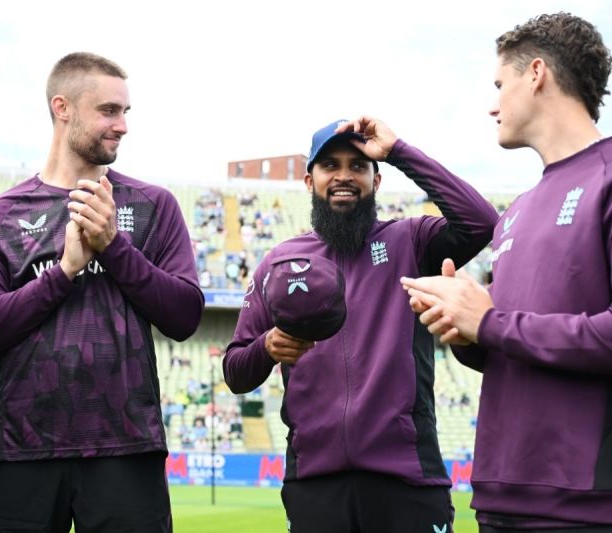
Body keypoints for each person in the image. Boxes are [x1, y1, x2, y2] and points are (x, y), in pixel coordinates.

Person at [0, 52, 203, 532]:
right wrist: (64, 271)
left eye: (125, 112)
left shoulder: (153, 205)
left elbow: (184, 317)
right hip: (19, 448)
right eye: (109, 111)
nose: (122, 126)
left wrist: (114, 247)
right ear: (63, 108)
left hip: (127, 448)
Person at [223, 116, 498, 533]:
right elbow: (235, 371)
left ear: (376, 179)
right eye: (330, 165)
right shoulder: (278, 263)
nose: (344, 176)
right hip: (315, 483)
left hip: (407, 478)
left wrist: (398, 151)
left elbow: (480, 221)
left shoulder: (410, 240)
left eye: (358, 165)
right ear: (309, 181)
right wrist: (267, 347)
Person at [401, 13, 612, 531]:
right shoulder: (517, 210)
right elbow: (512, 341)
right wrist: (465, 331)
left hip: (584, 505)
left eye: (500, 85)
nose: (493, 105)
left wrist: (490, 323)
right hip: (499, 496)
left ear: (536, 73)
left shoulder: (607, 178)